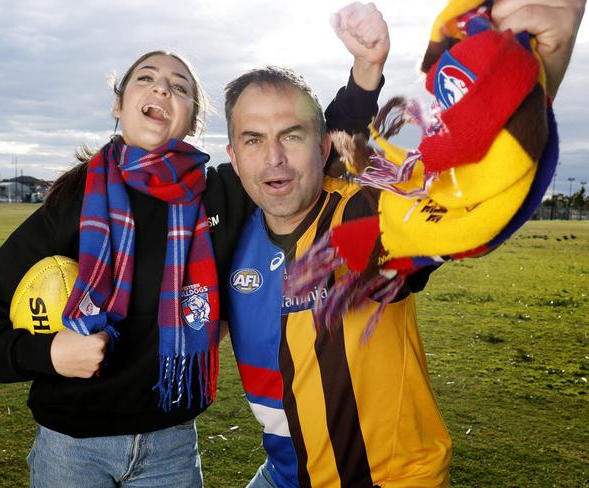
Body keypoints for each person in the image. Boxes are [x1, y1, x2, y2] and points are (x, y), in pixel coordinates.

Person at [0, 19, 383, 488]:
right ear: (120, 104)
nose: (162, 87)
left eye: (179, 86)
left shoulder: (219, 195)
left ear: (191, 121)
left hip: (171, 450)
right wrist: (50, 352)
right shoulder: (72, 205)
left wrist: (365, 69)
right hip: (71, 448)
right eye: (146, 77)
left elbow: (310, 143)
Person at [224, 1, 585, 487]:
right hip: (284, 475)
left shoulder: (365, 214)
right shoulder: (227, 228)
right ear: (232, 155)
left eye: (292, 135)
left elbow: (475, 180)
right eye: (252, 139)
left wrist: (545, 57)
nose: (274, 159)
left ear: (324, 144)